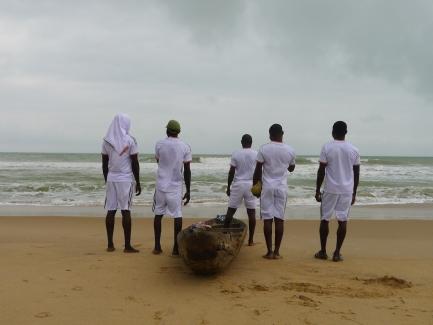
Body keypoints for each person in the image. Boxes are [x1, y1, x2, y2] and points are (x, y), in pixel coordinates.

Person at [314, 121, 360, 262]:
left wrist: (317, 189)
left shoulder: (327, 147)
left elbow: (321, 170)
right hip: (346, 190)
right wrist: (354, 192)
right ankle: (337, 253)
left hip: (330, 189)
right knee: (343, 220)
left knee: (325, 219)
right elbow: (357, 173)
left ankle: (323, 251)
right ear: (346, 132)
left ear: (333, 132)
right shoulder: (353, 149)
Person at [252, 124, 296, 259]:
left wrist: (256, 186)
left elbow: (258, 169)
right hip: (281, 188)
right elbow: (291, 168)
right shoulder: (290, 150)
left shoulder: (264, 148)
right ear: (282, 133)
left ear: (270, 134)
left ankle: (269, 252)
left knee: (267, 218)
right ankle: (277, 252)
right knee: (279, 219)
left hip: (267, 188)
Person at [102, 113, 141, 253]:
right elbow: (135, 162)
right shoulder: (130, 140)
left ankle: (110, 245)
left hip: (112, 178)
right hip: (125, 180)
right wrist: (138, 181)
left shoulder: (106, 141)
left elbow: (104, 163)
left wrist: (107, 179)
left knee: (111, 211)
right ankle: (127, 246)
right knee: (126, 211)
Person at [153, 120, 192, 255]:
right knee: (177, 215)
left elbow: (159, 161)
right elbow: (187, 170)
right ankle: (176, 248)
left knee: (158, 214)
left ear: (167, 131)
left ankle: (157, 246)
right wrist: (188, 189)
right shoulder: (185, 146)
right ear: (179, 132)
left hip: (161, 184)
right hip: (175, 186)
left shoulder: (159, 144)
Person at [223, 134, 258, 246]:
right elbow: (259, 171)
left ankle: (224, 235)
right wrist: (258, 185)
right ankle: (251, 240)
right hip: (251, 185)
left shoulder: (236, 153)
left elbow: (231, 172)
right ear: (251, 143)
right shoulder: (256, 154)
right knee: (251, 212)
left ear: (242, 142)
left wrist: (228, 187)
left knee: (230, 211)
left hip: (238, 184)